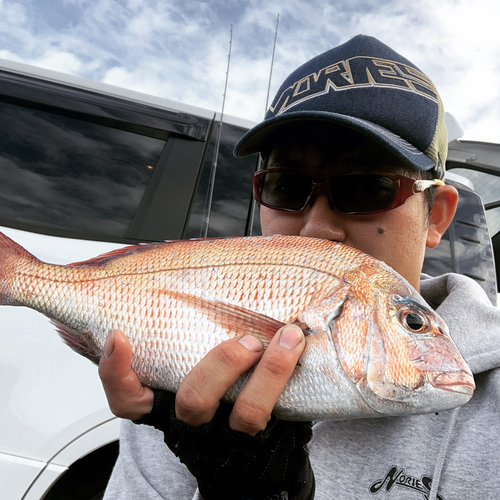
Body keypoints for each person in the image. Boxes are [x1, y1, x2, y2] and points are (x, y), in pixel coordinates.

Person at [100, 35, 500, 500]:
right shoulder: (179, 369)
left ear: (435, 216)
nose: (315, 228)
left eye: (368, 188)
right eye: (286, 186)